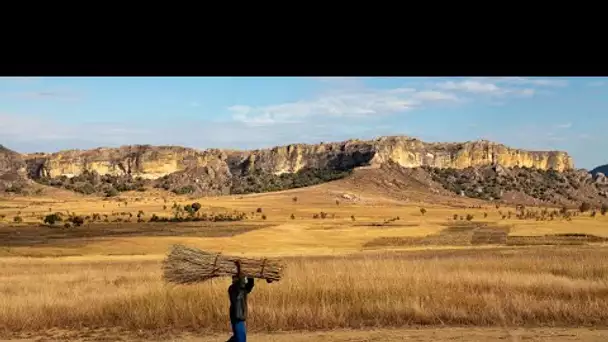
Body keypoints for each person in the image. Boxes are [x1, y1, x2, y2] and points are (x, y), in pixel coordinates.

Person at [227, 260, 254, 342]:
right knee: (241, 339)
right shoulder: (232, 288)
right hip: (237, 316)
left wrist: (251, 275)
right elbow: (241, 284)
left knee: (239, 338)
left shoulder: (242, 289)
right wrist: (240, 267)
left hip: (240, 316)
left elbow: (249, 285)